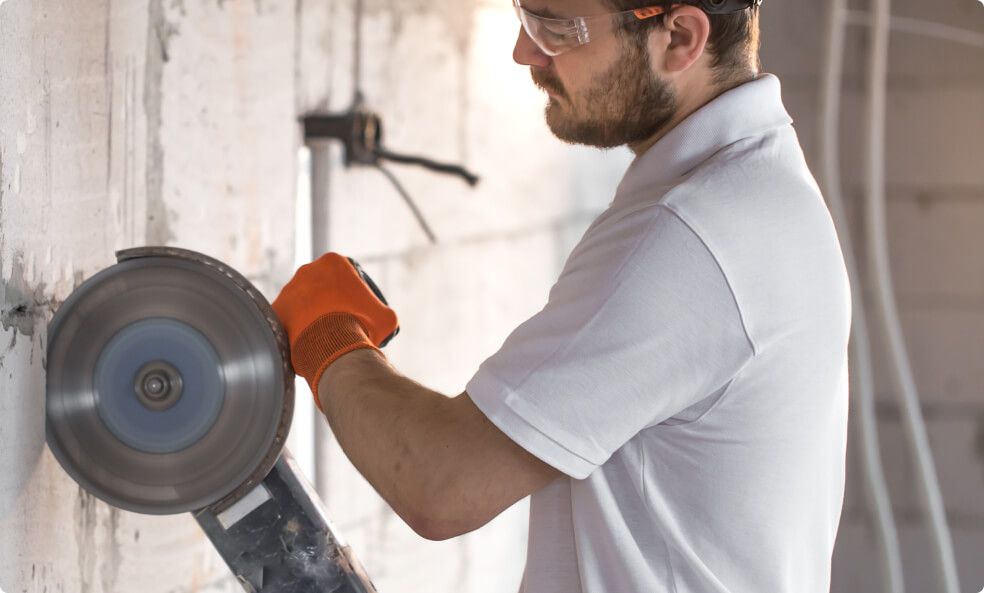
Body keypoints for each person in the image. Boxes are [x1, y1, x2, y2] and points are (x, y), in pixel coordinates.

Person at [272, 0, 851, 591]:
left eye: (555, 27)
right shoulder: (765, 187)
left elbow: (440, 483)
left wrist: (328, 333)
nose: (525, 52)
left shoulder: (689, 235)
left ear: (679, 36)